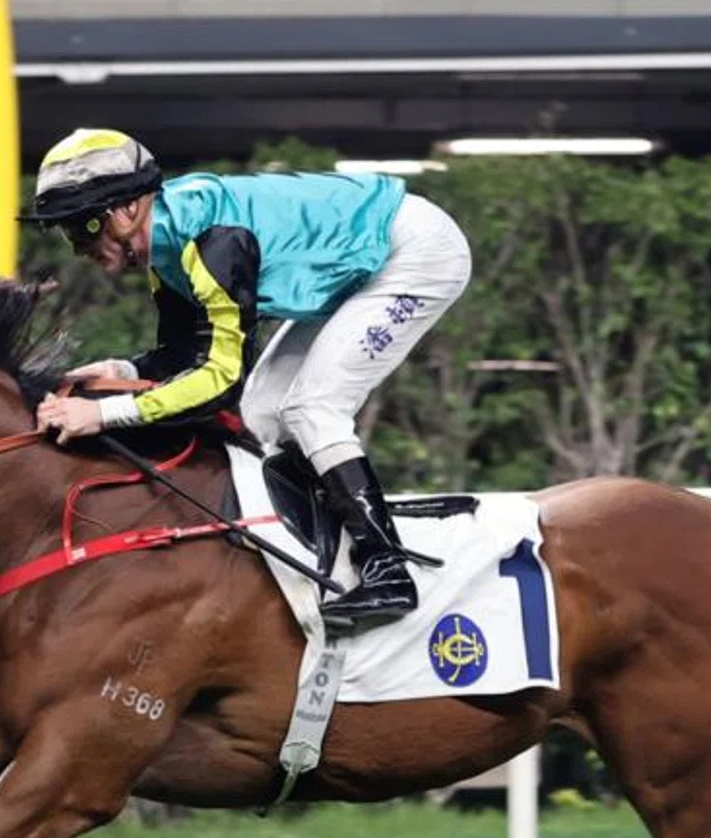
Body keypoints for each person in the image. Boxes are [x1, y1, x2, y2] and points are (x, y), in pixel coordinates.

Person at [24, 128, 473, 631]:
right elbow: (184, 355)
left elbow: (219, 383)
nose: (76, 246)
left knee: (311, 407)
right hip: (359, 265)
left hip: (414, 254)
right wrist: (122, 372)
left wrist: (102, 413)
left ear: (127, 210)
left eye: (81, 227)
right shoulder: (167, 248)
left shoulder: (212, 244)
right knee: (262, 413)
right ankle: (332, 544)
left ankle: (388, 570)